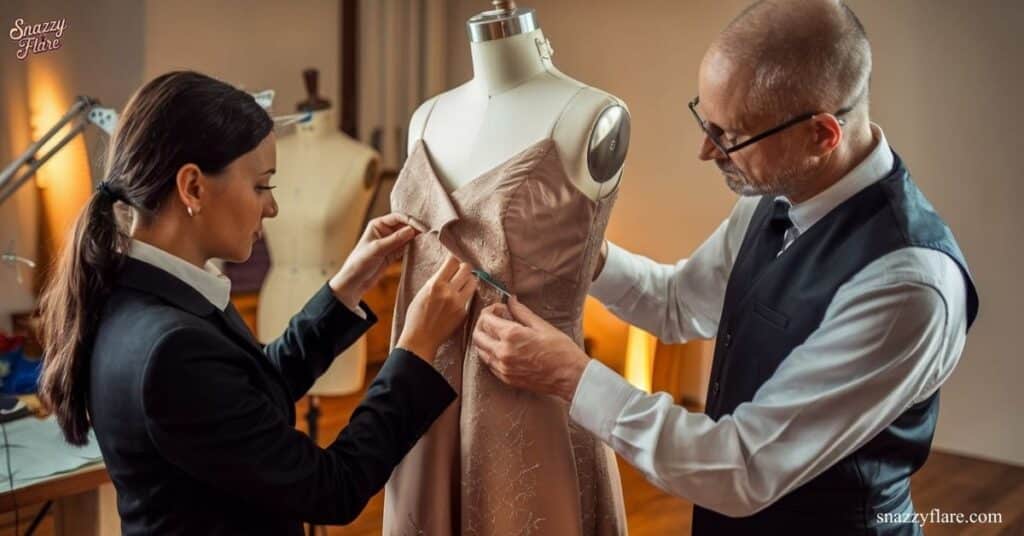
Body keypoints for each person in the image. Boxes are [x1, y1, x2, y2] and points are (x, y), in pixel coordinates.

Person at [471, 1, 980, 534]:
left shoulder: (909, 287)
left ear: (822, 135)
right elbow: (677, 304)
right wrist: (585, 255)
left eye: (730, 136)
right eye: (705, 119)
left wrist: (570, 375)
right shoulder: (778, 192)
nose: (705, 151)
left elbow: (742, 467)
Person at [37, 70, 478, 535]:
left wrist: (345, 288)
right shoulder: (171, 345)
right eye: (261, 184)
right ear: (193, 187)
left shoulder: (141, 294)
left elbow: (251, 393)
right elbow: (334, 487)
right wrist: (414, 350)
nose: (272, 207)